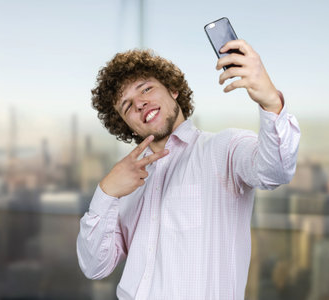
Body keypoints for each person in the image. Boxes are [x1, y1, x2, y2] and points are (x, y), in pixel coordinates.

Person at [76, 40, 300, 299]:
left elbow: (276, 171)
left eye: (146, 89)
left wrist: (271, 101)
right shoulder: (124, 184)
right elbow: (95, 267)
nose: (139, 103)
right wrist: (106, 193)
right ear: (129, 127)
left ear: (173, 90)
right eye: (127, 106)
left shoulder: (223, 149)